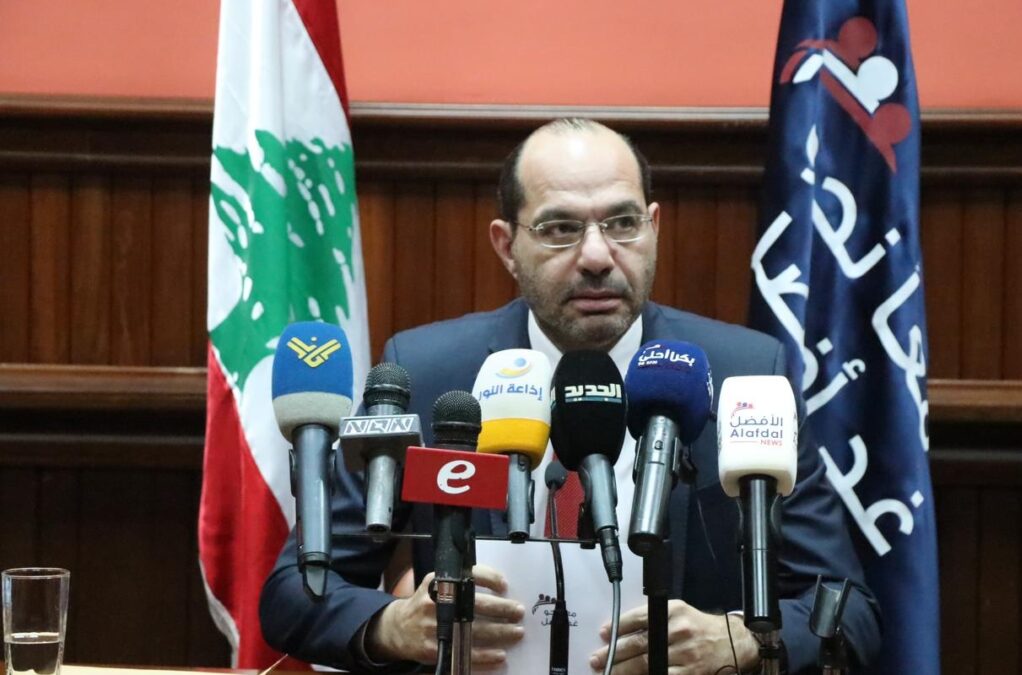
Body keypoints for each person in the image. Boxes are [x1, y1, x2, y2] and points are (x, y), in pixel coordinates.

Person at [260, 118, 882, 674]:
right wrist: (395, 626)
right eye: (560, 229)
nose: (597, 256)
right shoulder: (429, 373)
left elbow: (851, 609)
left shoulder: (744, 375)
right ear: (507, 245)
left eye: (623, 224)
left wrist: (742, 641)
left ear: (654, 228)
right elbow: (295, 590)